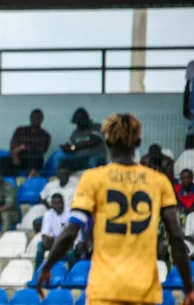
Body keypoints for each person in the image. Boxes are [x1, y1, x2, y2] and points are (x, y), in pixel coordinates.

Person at [37, 113, 194, 305]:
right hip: (143, 291)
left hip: (105, 291)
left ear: (107, 143)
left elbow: (71, 231)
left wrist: (47, 266)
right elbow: (176, 237)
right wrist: (188, 288)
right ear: (138, 142)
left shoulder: (93, 179)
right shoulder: (158, 181)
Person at [0, 109, 51, 177]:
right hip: (18, 157)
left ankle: (30, 180)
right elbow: (13, 145)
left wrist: (22, 147)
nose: (35, 119)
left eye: (38, 118)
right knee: (2, 161)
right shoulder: (20, 130)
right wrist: (15, 155)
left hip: (33, 160)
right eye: (33, 117)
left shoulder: (45, 135)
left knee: (35, 156)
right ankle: (8, 181)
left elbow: (41, 150)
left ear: (42, 119)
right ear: (30, 118)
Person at [35, 194, 78, 270]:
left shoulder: (71, 213)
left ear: (63, 203)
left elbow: (73, 233)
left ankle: (72, 272)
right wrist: (46, 240)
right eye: (53, 203)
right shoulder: (48, 214)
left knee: (71, 252)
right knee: (40, 246)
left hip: (68, 241)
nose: (56, 205)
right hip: (54, 241)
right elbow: (45, 234)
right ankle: (38, 271)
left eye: (58, 203)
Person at [58, 108, 106, 172]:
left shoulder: (97, 127)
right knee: (62, 161)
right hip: (80, 159)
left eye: (79, 122)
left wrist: (74, 147)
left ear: (86, 120)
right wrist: (66, 147)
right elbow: (70, 145)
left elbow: (93, 141)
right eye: (76, 123)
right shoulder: (75, 132)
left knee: (92, 161)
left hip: (96, 157)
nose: (78, 125)